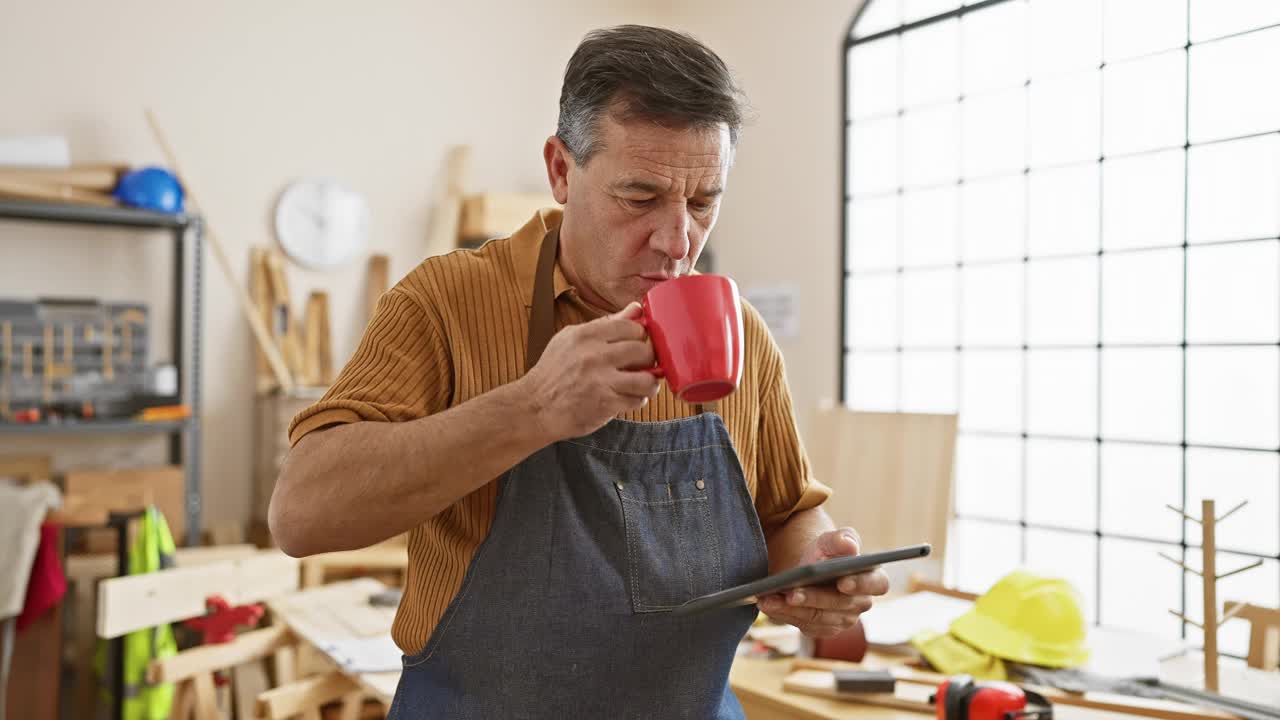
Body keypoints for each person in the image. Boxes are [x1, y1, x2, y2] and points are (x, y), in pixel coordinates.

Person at [270, 24, 889, 719]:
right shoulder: (446, 302)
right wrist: (532, 409)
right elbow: (300, 515)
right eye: (640, 196)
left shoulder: (739, 331)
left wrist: (817, 571)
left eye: (704, 201)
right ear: (562, 170)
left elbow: (786, 511)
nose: (678, 239)